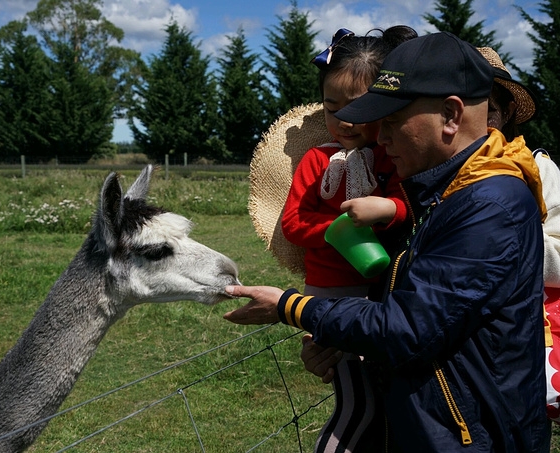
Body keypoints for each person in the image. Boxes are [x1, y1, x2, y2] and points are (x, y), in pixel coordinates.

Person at [223, 32, 550, 451]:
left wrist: (293, 307)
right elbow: (419, 313)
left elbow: (408, 329)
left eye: (392, 122)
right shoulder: (440, 191)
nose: (381, 137)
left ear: (451, 115)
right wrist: (342, 343)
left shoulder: (487, 206)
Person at [280, 25, 415, 453]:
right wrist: (338, 232)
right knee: (355, 400)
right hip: (330, 292)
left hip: (383, 290)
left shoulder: (392, 157)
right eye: (330, 107)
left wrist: (389, 209)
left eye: (356, 108)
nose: (341, 120)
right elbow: (292, 223)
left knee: (377, 393)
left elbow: (408, 205)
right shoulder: (316, 160)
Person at [478, 46, 560, 423]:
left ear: (508, 111)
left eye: (486, 111)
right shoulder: (436, 172)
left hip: (529, 328)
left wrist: (502, 245)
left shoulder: (541, 172)